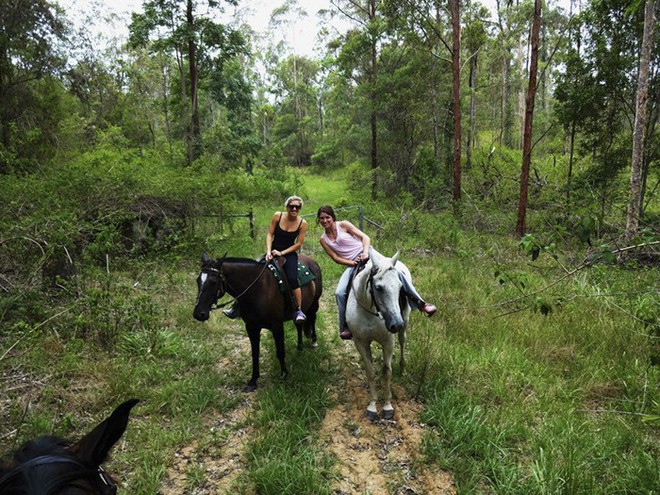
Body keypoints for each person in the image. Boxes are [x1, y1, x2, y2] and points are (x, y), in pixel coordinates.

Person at [317, 205, 436, 340]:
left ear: (333, 217)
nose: (325, 220)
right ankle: (345, 326)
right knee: (339, 292)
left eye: (327, 217)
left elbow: (365, 238)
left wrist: (365, 252)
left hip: (369, 255)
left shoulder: (343, 225)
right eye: (322, 218)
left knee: (395, 272)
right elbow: (335, 257)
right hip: (352, 263)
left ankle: (421, 303)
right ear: (318, 220)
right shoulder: (323, 239)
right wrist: (351, 263)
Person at [223, 196, 309, 324]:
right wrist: (269, 251)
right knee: (253, 273)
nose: (294, 209)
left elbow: (298, 244)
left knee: (292, 278)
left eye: (297, 207)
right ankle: (237, 307)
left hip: (289, 254)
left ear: (300, 208)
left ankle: (298, 310)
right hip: (273, 251)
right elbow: (270, 234)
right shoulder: (277, 216)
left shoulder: (303, 223)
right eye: (292, 206)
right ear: (287, 207)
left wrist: (282, 253)